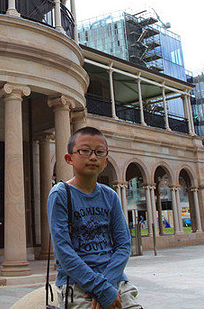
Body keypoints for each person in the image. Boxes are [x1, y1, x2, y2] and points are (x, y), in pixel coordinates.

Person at [48, 126, 142, 309]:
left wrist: (106, 285)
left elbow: (123, 244)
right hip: (76, 283)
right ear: (69, 158)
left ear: (105, 161)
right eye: (84, 151)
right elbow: (63, 251)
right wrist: (99, 287)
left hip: (113, 279)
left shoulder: (110, 196)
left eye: (99, 152)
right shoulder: (60, 194)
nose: (92, 157)